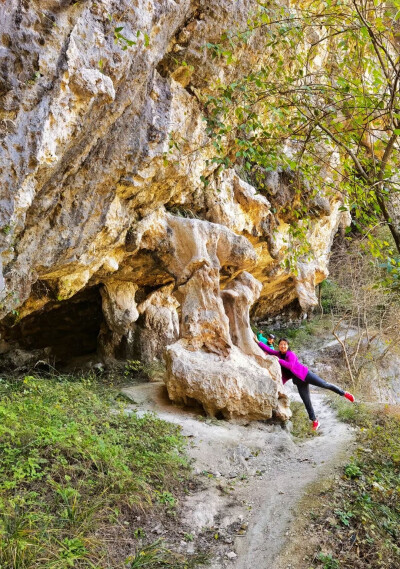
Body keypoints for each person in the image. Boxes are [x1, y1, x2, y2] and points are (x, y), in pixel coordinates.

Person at [256, 337, 355, 431]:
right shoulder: (277, 354)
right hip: (299, 382)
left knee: (325, 384)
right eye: (281, 344)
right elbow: (269, 350)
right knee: (306, 401)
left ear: (287, 346)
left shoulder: (291, 354)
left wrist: (279, 360)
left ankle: (344, 393)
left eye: (285, 344)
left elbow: (290, 366)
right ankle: (315, 421)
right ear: (278, 346)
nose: (283, 346)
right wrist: (258, 342)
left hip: (306, 375)